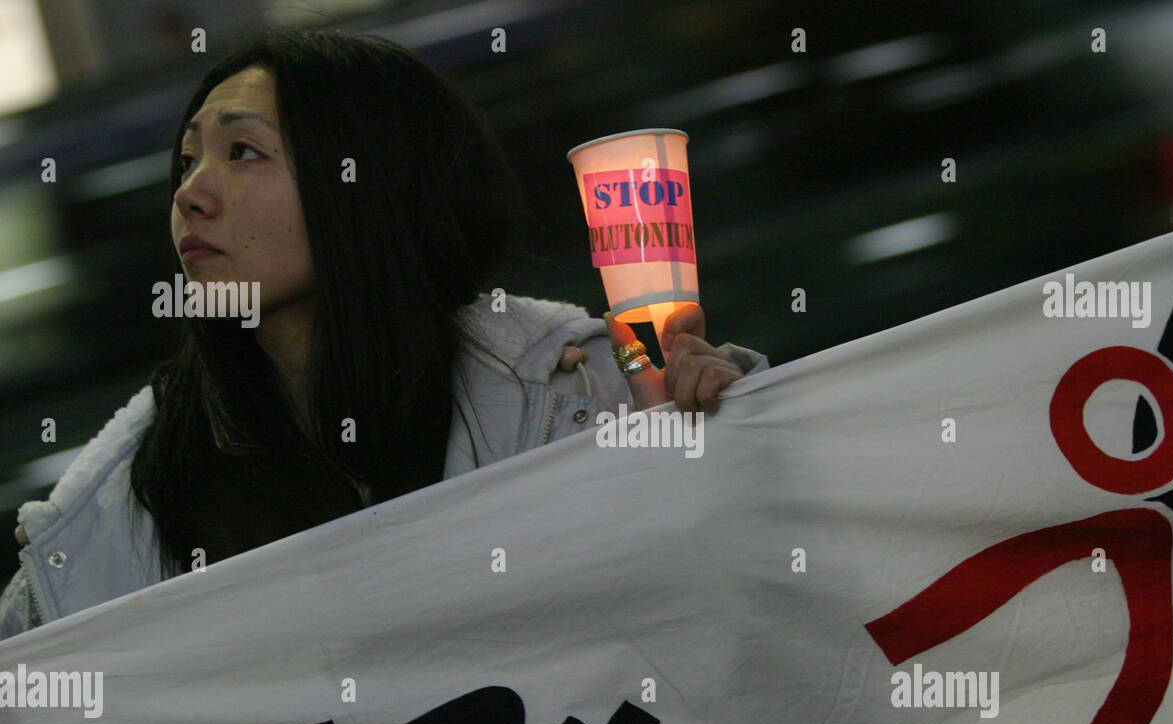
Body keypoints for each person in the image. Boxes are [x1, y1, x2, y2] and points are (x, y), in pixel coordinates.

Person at [0, 28, 768, 642]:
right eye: (187, 159)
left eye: (243, 153)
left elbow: (762, 611)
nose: (191, 195)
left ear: (364, 186)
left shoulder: (586, 394)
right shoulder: (104, 517)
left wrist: (725, 430)